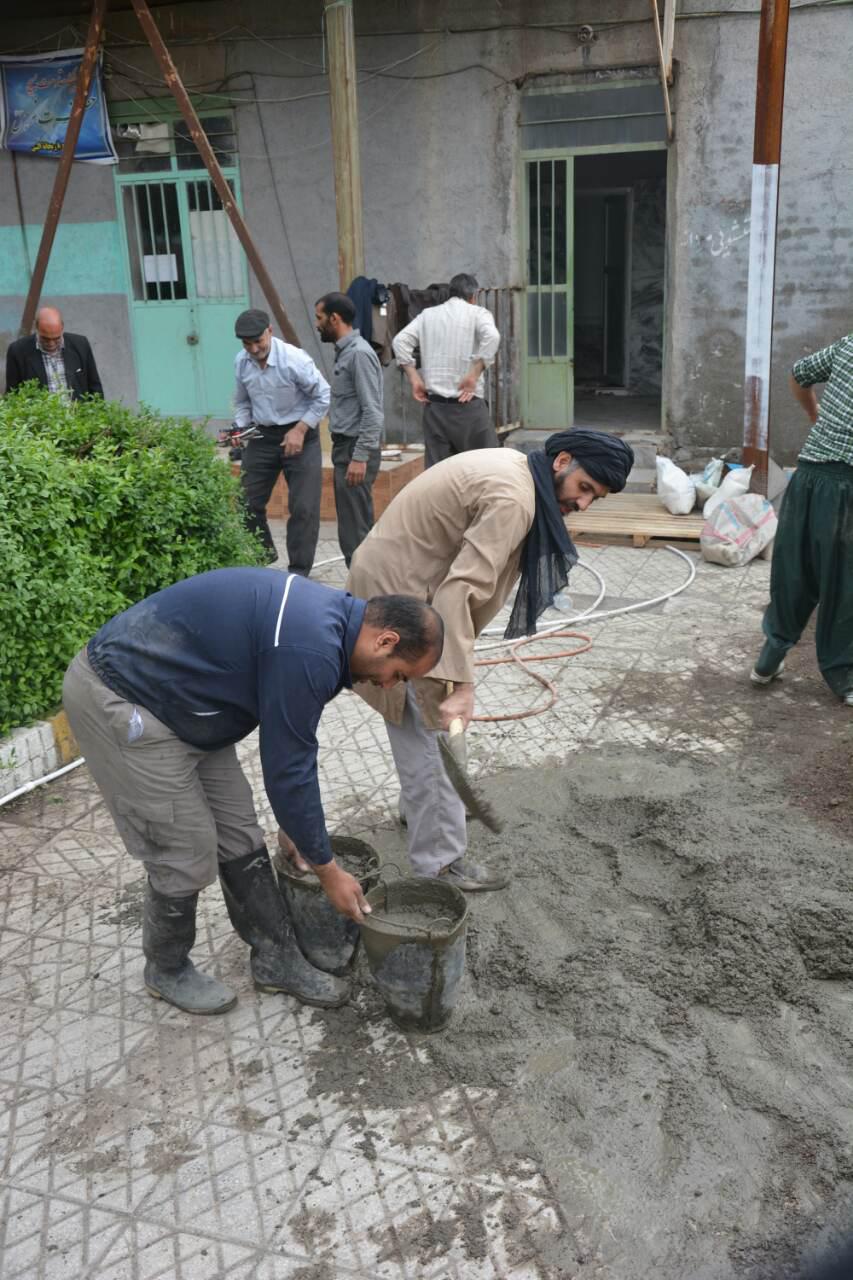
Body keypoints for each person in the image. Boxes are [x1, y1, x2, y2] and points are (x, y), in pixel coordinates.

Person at [62, 569, 444, 1016]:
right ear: (385, 640)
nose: (388, 685)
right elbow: (288, 766)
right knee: (185, 852)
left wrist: (297, 827)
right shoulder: (309, 647)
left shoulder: (330, 627)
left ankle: (276, 959)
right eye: (398, 674)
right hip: (125, 697)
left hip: (187, 703)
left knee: (239, 831)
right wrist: (328, 871)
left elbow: (293, 746)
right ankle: (166, 968)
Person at [346, 430, 634, 891]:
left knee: (420, 720)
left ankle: (420, 812)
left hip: (401, 584)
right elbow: (457, 591)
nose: (582, 505)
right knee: (429, 723)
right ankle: (439, 863)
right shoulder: (515, 500)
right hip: (400, 597)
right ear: (562, 461)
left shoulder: (519, 470)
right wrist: (461, 685)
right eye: (584, 489)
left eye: (593, 499)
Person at [750, 333, 853, 704]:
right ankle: (844, 677)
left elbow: (798, 374)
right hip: (846, 484)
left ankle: (769, 658)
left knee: (797, 569)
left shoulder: (848, 344)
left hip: (809, 475)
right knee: (844, 582)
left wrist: (815, 415)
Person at [233, 308, 330, 573]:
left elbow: (323, 396)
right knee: (246, 501)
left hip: (301, 435)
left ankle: (299, 572)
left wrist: (300, 429)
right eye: (247, 343)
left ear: (270, 331)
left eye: (258, 341)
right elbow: (242, 403)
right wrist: (239, 429)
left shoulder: (294, 359)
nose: (253, 349)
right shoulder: (241, 362)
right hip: (262, 437)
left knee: (303, 508)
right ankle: (262, 557)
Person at [392, 273, 500, 468]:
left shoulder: (427, 315)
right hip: (468, 407)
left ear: (451, 293)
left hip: (435, 410)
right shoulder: (478, 313)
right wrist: (474, 374)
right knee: (485, 470)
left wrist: (415, 378)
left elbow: (399, 342)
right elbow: (492, 337)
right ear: (473, 296)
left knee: (438, 477)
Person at [315, 291, 384, 567]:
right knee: (352, 528)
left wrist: (360, 457)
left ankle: (365, 596)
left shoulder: (359, 355)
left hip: (355, 449)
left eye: (320, 318)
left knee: (356, 533)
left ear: (335, 318)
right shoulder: (346, 353)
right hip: (347, 447)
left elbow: (373, 412)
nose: (317, 324)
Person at [5, 305, 103, 400]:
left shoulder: (81, 344)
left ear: (62, 328)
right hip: (39, 416)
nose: (51, 344)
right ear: (36, 328)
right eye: (45, 339)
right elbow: (12, 395)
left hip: (78, 414)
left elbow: (95, 388)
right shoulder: (17, 351)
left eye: (56, 338)